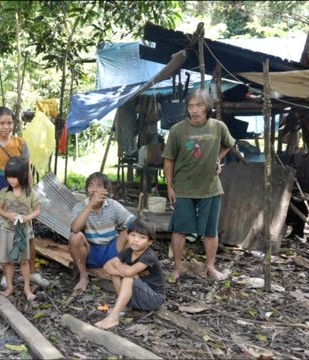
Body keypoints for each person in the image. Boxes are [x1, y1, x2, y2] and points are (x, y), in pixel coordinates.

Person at [162, 89, 235, 282]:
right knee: (179, 230)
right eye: (191, 106)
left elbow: (228, 144)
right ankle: (177, 268)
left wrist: (217, 160)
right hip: (184, 188)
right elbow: (168, 160)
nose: (194, 110)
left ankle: (210, 267)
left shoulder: (218, 127)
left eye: (199, 105)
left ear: (207, 107)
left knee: (210, 232)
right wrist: (170, 186)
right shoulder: (178, 130)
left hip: (210, 188)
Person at [0, 106, 50, 288]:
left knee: (28, 235)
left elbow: (27, 169)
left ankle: (31, 272)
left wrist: (30, 192)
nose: (6, 126)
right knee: (0, 236)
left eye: (9, 123)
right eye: (2, 123)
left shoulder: (20, 143)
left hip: (21, 195)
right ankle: (6, 274)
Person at [68, 172, 135, 292]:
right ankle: (84, 276)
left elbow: (133, 222)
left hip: (112, 249)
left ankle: (125, 268)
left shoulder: (113, 205)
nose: (94, 189)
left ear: (105, 190)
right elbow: (75, 228)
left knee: (132, 232)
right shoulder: (79, 207)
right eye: (91, 185)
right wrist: (90, 205)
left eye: (99, 186)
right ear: (87, 189)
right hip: (91, 251)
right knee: (75, 237)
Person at [94, 217, 165, 329]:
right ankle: (125, 306)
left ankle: (114, 317)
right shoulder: (128, 252)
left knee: (128, 278)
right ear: (127, 236)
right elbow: (107, 266)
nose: (136, 240)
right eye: (133, 235)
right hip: (138, 293)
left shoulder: (149, 256)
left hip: (154, 298)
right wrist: (124, 270)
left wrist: (121, 267)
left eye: (142, 237)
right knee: (118, 274)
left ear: (149, 242)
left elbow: (128, 272)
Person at [0, 157, 40, 300]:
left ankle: (27, 288)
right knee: (7, 261)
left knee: (24, 261)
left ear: (23, 176)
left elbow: (37, 210)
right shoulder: (4, 193)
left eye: (14, 177)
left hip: (22, 232)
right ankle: (9, 286)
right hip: (7, 231)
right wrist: (7, 214)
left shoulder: (30, 193)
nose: (11, 180)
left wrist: (28, 217)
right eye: (9, 177)